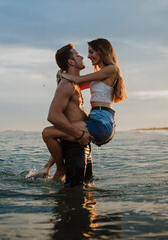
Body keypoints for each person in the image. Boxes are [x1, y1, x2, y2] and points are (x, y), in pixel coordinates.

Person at [30, 38, 128, 183]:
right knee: (65, 132)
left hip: (101, 121)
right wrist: (62, 79)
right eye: (85, 53)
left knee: (48, 133)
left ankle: (56, 169)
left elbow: (78, 81)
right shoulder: (100, 75)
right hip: (97, 119)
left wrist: (64, 75)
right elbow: (74, 86)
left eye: (91, 52)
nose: (87, 56)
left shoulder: (111, 69)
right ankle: (47, 167)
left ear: (101, 51)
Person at [27, 43, 93, 187]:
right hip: (76, 143)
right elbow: (53, 116)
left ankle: (47, 169)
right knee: (74, 195)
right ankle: (59, 170)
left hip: (83, 143)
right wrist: (80, 135)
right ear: (71, 62)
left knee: (88, 188)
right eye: (77, 55)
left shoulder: (75, 83)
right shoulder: (67, 85)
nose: (82, 56)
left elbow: (97, 79)